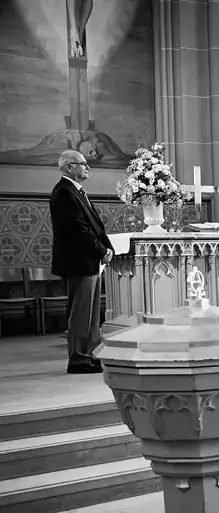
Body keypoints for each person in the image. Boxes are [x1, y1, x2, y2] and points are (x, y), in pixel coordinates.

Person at [50, 149, 113, 374]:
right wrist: (100, 250)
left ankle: (92, 354)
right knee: (81, 313)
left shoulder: (76, 191)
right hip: (78, 261)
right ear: (69, 167)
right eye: (83, 163)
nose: (88, 167)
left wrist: (107, 248)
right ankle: (78, 358)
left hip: (88, 260)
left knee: (92, 313)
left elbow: (95, 226)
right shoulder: (64, 192)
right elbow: (78, 229)